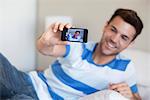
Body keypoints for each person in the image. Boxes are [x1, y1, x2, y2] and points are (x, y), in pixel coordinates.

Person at [0, 8, 143, 100]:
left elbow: (137, 98)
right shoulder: (79, 46)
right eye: (113, 30)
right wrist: (46, 40)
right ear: (105, 26)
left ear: (130, 43)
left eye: (124, 37)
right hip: (28, 82)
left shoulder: (126, 68)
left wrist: (131, 97)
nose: (114, 39)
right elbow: (45, 49)